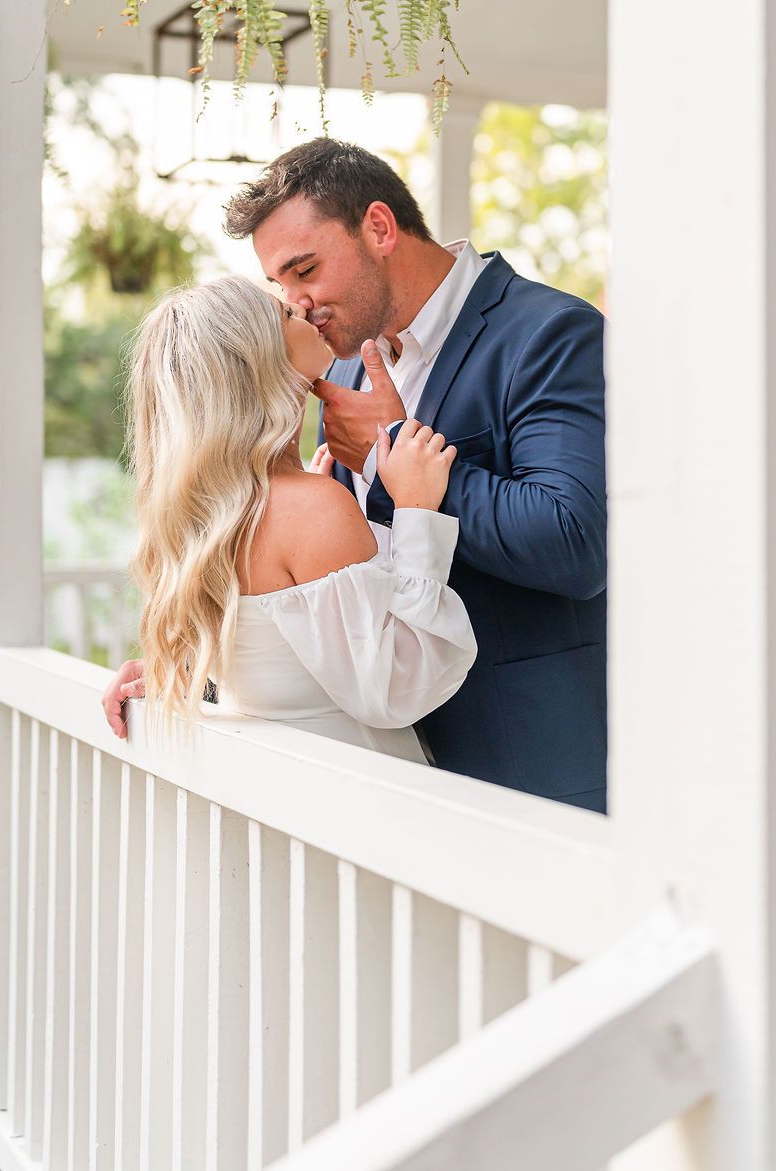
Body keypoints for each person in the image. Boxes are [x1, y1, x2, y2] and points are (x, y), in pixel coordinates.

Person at [219, 138, 608, 813]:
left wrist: (390, 447)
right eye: (282, 286)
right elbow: (322, 586)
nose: (299, 303)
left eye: (305, 269)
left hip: (529, 768)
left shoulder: (550, 333)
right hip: (391, 773)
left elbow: (575, 541)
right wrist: (191, 676)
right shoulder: (337, 367)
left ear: (378, 227)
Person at [101, 275, 476, 759]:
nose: (301, 305)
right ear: (256, 360)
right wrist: (416, 512)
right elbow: (397, 691)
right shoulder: (310, 506)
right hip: (364, 799)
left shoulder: (209, 516)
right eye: (283, 313)